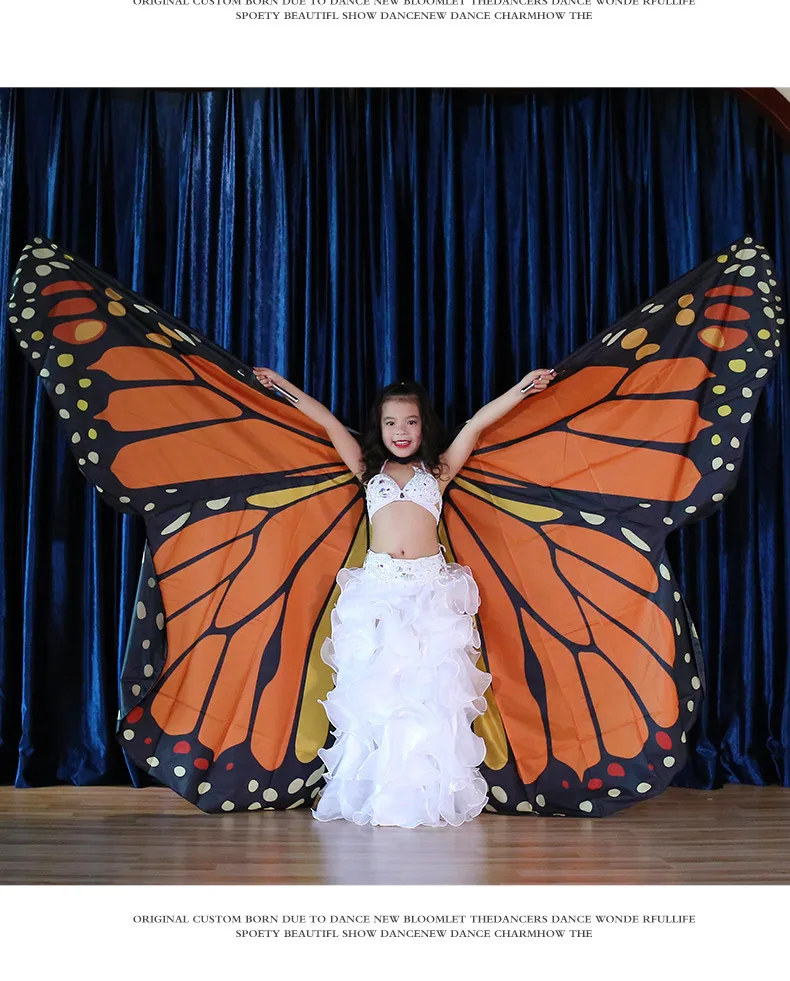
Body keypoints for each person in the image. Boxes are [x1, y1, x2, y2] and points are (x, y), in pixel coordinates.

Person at [252, 367, 556, 828]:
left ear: (424, 425)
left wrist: (521, 389)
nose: (400, 431)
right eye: (391, 422)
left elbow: (475, 425)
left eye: (410, 422)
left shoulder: (438, 470)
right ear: (379, 427)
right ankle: (375, 792)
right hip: (377, 592)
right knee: (377, 696)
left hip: (429, 593)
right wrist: (282, 385)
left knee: (429, 696)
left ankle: (425, 792)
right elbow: (330, 423)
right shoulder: (367, 469)